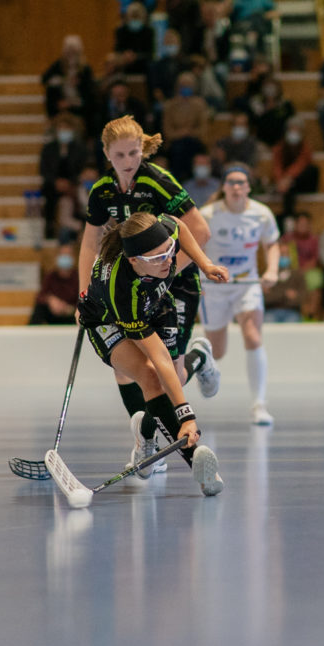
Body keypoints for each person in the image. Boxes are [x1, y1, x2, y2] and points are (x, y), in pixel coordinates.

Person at [79, 116, 221, 472]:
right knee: (130, 370)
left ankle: (198, 358)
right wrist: (84, 292)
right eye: (120, 155)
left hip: (177, 282)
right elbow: (89, 243)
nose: (129, 162)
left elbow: (198, 231)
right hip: (133, 286)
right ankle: (149, 443)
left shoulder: (157, 181)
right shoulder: (101, 192)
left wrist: (165, 273)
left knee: (170, 369)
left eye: (134, 152)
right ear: (107, 155)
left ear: (143, 149)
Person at [77, 211, 228, 494]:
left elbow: (179, 225)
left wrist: (205, 264)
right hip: (106, 319)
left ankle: (144, 435)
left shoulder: (159, 239)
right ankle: (199, 467)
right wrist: (187, 417)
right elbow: (157, 358)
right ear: (134, 260)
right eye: (158, 257)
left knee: (176, 379)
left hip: (155, 302)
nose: (169, 260)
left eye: (169, 251)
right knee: (150, 377)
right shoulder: (122, 293)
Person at [199, 166, 281, 424]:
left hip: (247, 283)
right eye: (231, 182)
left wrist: (272, 270)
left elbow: (272, 244)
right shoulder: (208, 215)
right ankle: (205, 365)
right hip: (213, 288)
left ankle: (259, 405)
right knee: (218, 350)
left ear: (248, 187)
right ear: (223, 186)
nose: (236, 187)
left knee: (253, 337)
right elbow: (193, 246)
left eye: (241, 182)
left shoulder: (261, 214)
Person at [39, 113, 89, 241]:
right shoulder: (49, 148)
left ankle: (82, 225)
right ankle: (49, 227)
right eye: (61, 128)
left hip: (73, 184)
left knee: (81, 195)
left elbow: (81, 169)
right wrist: (56, 182)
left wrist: (70, 182)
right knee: (48, 194)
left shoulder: (79, 148)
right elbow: (44, 170)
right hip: (53, 185)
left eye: (67, 129)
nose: (64, 132)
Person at [161, 71, 211, 181]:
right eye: (183, 85)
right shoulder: (170, 105)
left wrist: (188, 133)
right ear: (177, 87)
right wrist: (181, 133)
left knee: (189, 146)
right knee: (179, 149)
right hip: (175, 144)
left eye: (189, 85)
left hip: (194, 142)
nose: (186, 88)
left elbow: (203, 129)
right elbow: (167, 131)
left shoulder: (200, 105)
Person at [40, 35, 98, 123]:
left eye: (74, 51)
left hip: (79, 103)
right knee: (51, 87)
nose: (71, 54)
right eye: (69, 51)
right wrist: (62, 81)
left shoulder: (84, 68)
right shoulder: (59, 65)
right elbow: (44, 79)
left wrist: (79, 83)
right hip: (62, 102)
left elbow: (90, 89)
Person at [271, 117, 319, 219]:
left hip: (301, 183)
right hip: (286, 186)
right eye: (291, 130)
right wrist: (281, 180)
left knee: (312, 170)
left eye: (296, 130)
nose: (293, 133)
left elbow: (301, 164)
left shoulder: (305, 148)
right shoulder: (280, 147)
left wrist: (288, 179)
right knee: (289, 191)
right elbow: (277, 166)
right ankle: (288, 220)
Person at [30, 245, 79, 326]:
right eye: (62, 255)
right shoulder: (50, 276)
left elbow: (83, 298)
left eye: (68, 255)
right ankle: (30, 333)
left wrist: (68, 308)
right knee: (39, 308)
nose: (65, 257)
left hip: (71, 315)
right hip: (53, 314)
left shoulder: (78, 277)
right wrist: (50, 300)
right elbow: (40, 296)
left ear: (73, 257)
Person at [249, 76, 296, 147]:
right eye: (267, 86)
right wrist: (265, 110)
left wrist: (275, 107)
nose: (270, 90)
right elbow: (254, 122)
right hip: (262, 141)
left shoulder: (286, 104)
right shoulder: (256, 104)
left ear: (278, 88)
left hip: (282, 141)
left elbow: (291, 120)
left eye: (272, 86)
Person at [113, 2, 156, 76]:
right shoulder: (121, 31)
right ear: (127, 17)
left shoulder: (148, 32)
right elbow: (117, 49)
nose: (135, 19)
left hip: (143, 65)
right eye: (133, 16)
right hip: (124, 63)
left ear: (143, 17)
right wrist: (125, 55)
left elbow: (150, 53)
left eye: (137, 16)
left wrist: (136, 57)